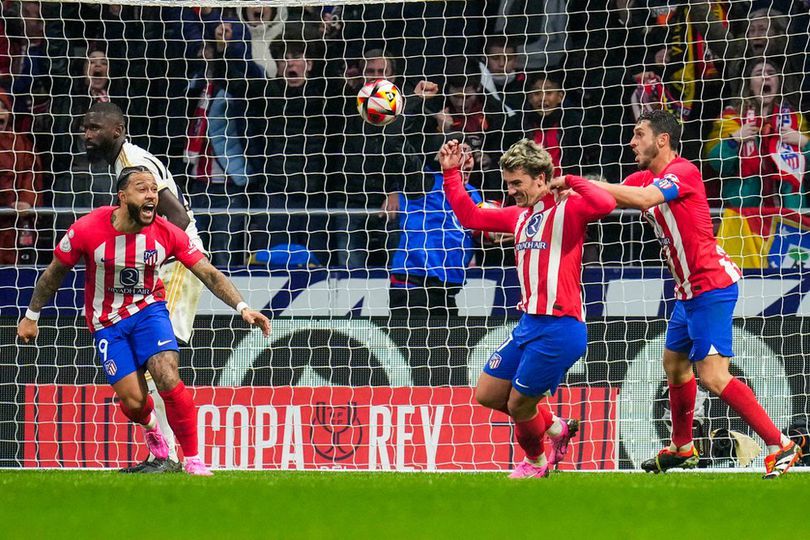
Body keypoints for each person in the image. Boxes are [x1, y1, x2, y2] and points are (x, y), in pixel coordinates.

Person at [580, 110, 802, 478]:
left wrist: (580, 182)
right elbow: (611, 198)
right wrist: (567, 192)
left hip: (711, 286)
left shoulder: (682, 172)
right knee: (675, 364)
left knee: (713, 377)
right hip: (687, 292)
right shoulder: (642, 177)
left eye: (639, 134)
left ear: (662, 140)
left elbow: (643, 199)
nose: (632, 142)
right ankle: (682, 447)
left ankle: (781, 444)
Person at [17, 166, 271, 475]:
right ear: (122, 197)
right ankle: (152, 428)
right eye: (142, 189)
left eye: (153, 189)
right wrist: (31, 316)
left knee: (167, 375)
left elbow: (208, 272)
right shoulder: (87, 228)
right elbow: (53, 273)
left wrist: (243, 307)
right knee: (134, 402)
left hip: (149, 311)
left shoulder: (166, 232)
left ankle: (193, 460)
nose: (151, 195)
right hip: (108, 323)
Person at [441, 138, 616, 478]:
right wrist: (451, 173)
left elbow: (606, 203)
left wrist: (570, 180)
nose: (511, 191)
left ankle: (536, 463)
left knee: (519, 404)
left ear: (541, 179)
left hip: (560, 326)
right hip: (529, 324)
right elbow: (470, 215)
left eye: (517, 183)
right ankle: (556, 428)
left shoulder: (568, 209)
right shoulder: (519, 217)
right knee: (488, 394)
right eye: (508, 184)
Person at [83, 101, 205, 473]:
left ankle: (167, 456)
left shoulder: (136, 162)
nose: (87, 135)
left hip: (175, 264)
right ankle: (162, 454)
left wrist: (151, 259)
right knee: (147, 364)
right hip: (156, 266)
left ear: (117, 131)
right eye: (85, 128)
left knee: (158, 364)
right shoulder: (123, 164)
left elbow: (179, 217)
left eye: (94, 128)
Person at [389, 141, 483, 320]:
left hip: (448, 289)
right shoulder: (424, 181)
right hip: (414, 284)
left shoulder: (474, 194)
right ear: (443, 156)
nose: (468, 157)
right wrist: (394, 126)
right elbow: (400, 150)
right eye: (461, 151)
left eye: (470, 153)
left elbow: (482, 232)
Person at [704, 58, 810, 209]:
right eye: (759, 73)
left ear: (779, 82)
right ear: (749, 84)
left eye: (771, 73)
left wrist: (805, 142)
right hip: (746, 213)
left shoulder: (795, 120)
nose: (766, 77)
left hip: (790, 212)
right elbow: (717, 165)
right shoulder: (732, 119)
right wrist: (734, 139)